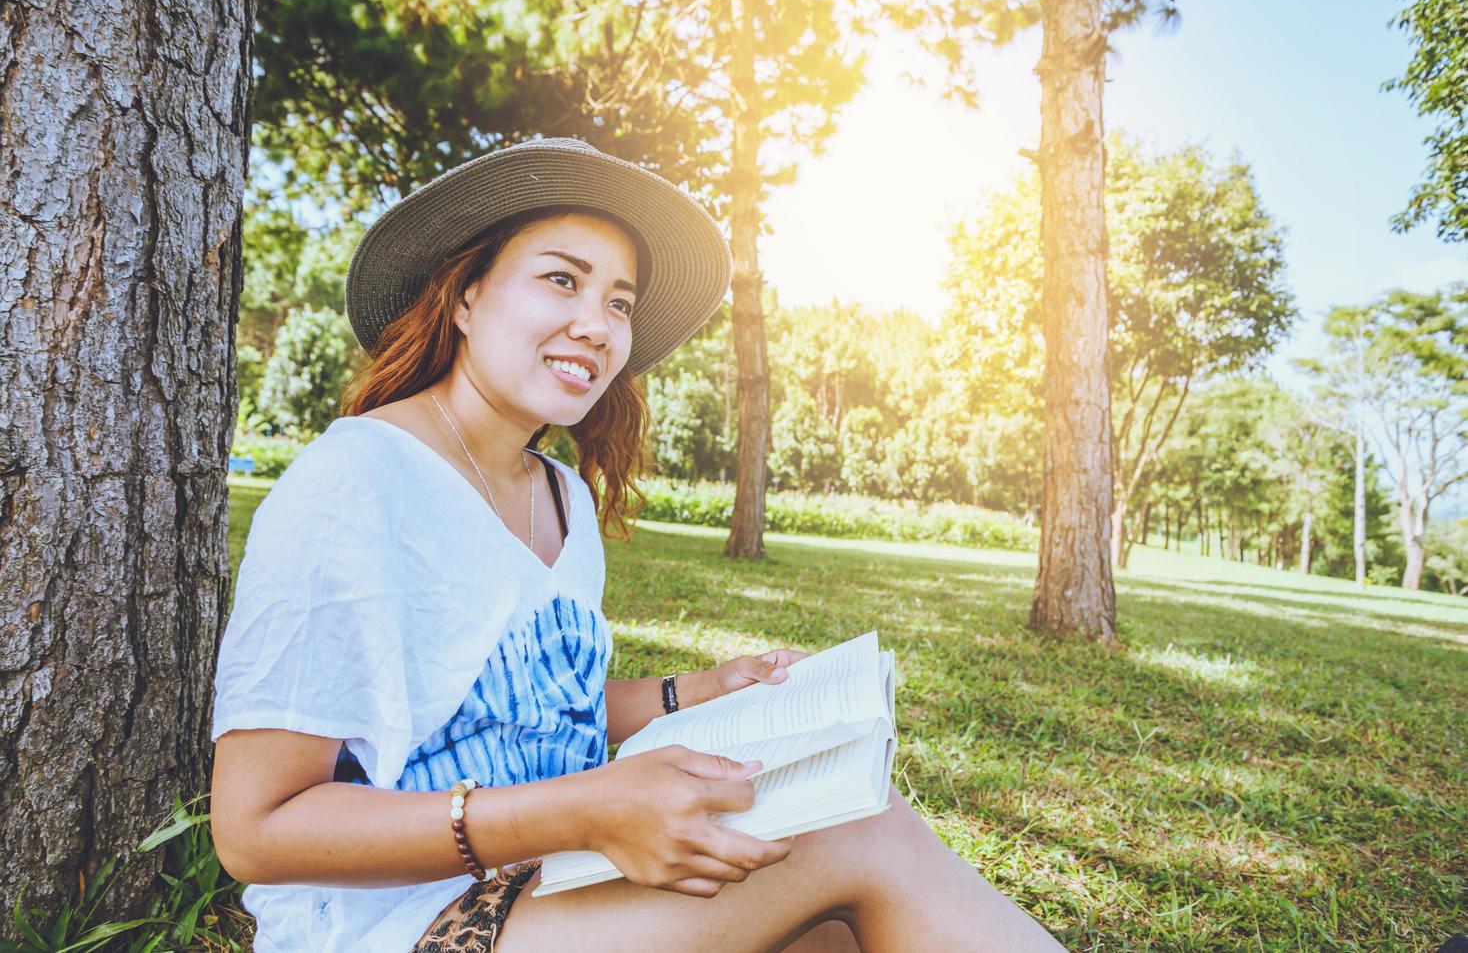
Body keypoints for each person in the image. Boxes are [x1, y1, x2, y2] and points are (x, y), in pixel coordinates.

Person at [209, 138, 1063, 952]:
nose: (597, 323)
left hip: (551, 877)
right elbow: (257, 830)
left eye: (618, 301)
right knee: (860, 837)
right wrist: (582, 812)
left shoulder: (564, 499)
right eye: (560, 280)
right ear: (464, 296)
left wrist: (698, 691)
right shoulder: (354, 484)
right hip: (404, 923)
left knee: (841, 926)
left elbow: (528, 703)